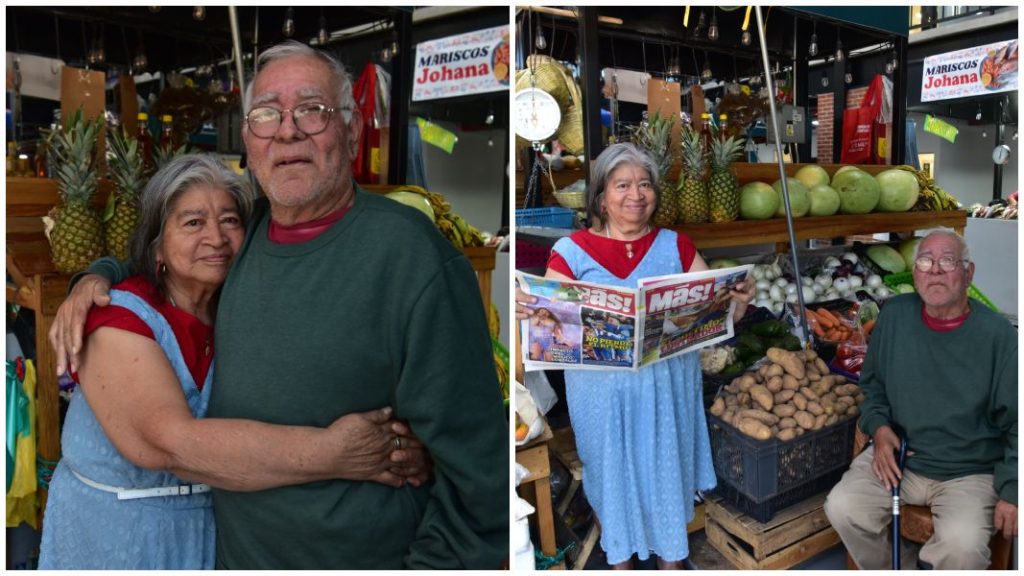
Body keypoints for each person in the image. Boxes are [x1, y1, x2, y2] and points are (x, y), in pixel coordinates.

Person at [49, 41, 508, 570]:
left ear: (352, 128)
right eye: (266, 114)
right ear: (249, 138)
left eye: (312, 110)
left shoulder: (411, 257)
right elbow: (159, 260)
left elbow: (477, 471)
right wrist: (92, 278)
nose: (287, 130)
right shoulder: (244, 241)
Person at [40, 154, 426, 569]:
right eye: (193, 223)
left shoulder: (246, 309)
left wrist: (398, 445)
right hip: (118, 537)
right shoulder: (117, 319)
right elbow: (167, 443)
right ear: (157, 247)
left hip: (216, 539)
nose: (216, 238)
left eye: (229, 220)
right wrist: (337, 453)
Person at [515, 142, 754, 569]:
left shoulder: (676, 246)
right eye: (622, 184)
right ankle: (621, 562)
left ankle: (672, 562)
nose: (636, 195)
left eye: (645, 185)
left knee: (666, 472)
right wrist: (528, 309)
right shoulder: (571, 253)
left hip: (666, 390)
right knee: (613, 478)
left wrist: (736, 299)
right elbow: (545, 323)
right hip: (601, 400)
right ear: (601, 196)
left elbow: (719, 312)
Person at [824, 229, 1017, 570]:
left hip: (970, 472)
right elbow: (873, 386)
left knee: (962, 547)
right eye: (925, 261)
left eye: (947, 261)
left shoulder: (999, 337)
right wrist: (879, 429)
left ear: (968, 273)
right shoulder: (895, 316)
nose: (935, 270)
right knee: (843, 507)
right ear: (914, 274)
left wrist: (1014, 491)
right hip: (900, 460)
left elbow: (1018, 422)